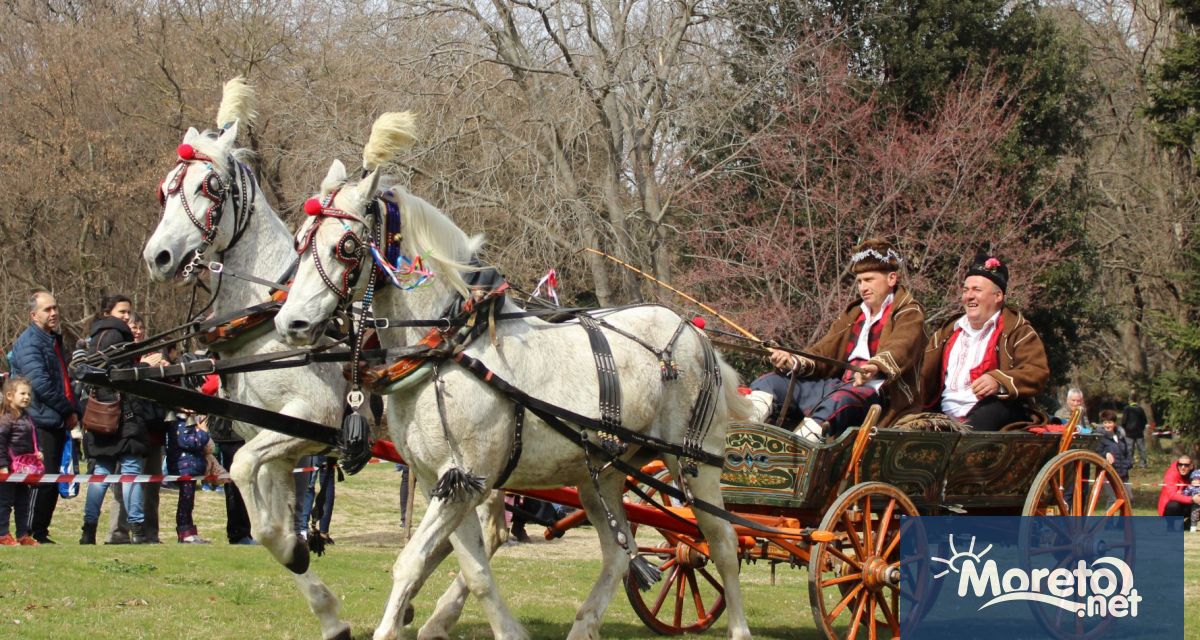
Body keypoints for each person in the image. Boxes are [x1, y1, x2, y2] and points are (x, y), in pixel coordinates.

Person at [746, 239, 926, 439]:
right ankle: (743, 437)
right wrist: (793, 359)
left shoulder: (909, 312)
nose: (862, 287)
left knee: (836, 403)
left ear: (892, 278)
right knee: (771, 382)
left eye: (869, 279)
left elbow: (901, 346)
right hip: (836, 385)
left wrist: (875, 366)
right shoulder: (854, 313)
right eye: (859, 281)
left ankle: (796, 455)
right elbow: (824, 350)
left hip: (876, 394)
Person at [919, 254, 1050, 431]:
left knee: (988, 415)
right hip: (943, 412)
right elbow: (923, 373)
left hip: (995, 410)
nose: (969, 296)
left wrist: (998, 381)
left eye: (976, 290)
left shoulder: (1018, 331)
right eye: (965, 290)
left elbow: (1036, 372)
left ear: (998, 296)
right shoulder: (946, 333)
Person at [79, 295, 153, 545]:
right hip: (123, 416)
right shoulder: (116, 335)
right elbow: (118, 376)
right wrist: (145, 368)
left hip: (101, 415)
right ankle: (137, 529)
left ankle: (88, 529)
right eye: (122, 311)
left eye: (128, 311)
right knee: (130, 471)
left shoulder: (95, 335)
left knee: (101, 473)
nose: (126, 316)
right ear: (108, 312)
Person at [10, 290, 79, 543]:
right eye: (47, 309)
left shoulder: (52, 340)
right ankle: (27, 533)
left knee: (53, 479)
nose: (54, 313)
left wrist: (72, 408)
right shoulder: (30, 343)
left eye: (55, 307)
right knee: (42, 479)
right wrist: (68, 409)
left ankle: (40, 531)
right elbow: (40, 384)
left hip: (54, 419)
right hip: (38, 420)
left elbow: (63, 381)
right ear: (33, 315)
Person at [107, 311, 166, 544]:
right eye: (133, 326)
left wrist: (163, 370)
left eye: (140, 326)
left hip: (153, 428)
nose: (138, 330)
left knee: (151, 487)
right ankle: (118, 533)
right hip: (128, 430)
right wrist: (142, 366)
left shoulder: (153, 354)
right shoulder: (120, 355)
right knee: (125, 485)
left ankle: (150, 534)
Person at [0, 376, 42, 546]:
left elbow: (32, 439)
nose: (26, 397)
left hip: (24, 470)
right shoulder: (6, 419)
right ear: (10, 395)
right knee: (5, 502)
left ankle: (22, 534)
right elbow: (0, 443)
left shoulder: (27, 417)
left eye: (29, 394)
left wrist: (38, 453)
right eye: (22, 393)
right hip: (8, 469)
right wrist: (2, 465)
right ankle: (3, 534)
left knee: (22, 503)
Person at [166, 412, 211, 544]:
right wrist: (203, 432)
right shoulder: (180, 423)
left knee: (189, 502)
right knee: (185, 502)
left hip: (190, 467)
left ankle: (190, 532)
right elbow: (190, 443)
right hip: (184, 467)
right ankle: (184, 532)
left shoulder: (189, 422)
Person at [296, 455, 336, 546]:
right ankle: (323, 532)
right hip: (330, 448)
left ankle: (303, 530)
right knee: (327, 484)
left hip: (314, 447)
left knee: (308, 486)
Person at [1096, 410, 1131, 505]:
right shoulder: (1099, 437)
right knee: (1113, 499)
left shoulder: (1120, 436)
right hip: (1108, 474)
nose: (1107, 425)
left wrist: (1128, 464)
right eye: (1105, 422)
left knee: (1128, 499)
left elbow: (1127, 452)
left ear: (1114, 423)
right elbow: (1096, 452)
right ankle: (1108, 520)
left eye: (1110, 422)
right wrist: (1105, 454)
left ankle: (1123, 520)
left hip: (1123, 473)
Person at [1157, 456, 1200, 529]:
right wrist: (1192, 499)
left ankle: (1187, 525)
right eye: (1180, 464)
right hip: (1172, 507)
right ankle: (1170, 526)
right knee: (1173, 505)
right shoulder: (1171, 474)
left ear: (1191, 466)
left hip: (1189, 503)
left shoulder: (1196, 474)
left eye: (1186, 465)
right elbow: (1172, 495)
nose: (1183, 467)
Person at [1122, 398, 1149, 468]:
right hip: (1139, 432)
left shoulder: (1127, 409)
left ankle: (1130, 463)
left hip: (1129, 432)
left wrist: (1125, 428)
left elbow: (1124, 421)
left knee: (1129, 449)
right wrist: (1142, 428)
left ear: (1129, 401)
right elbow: (1144, 421)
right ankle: (1143, 463)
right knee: (1141, 448)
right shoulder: (1140, 409)